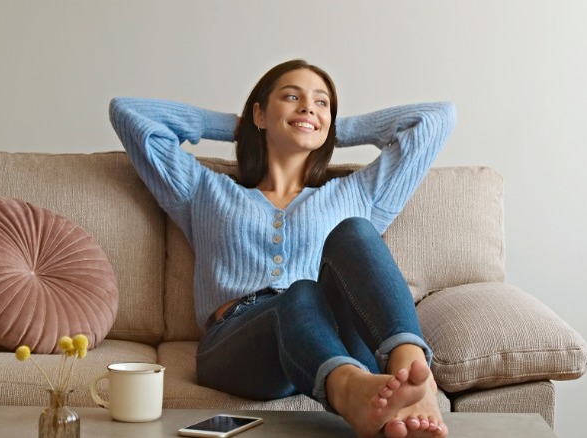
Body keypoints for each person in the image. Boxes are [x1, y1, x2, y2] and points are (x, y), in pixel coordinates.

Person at [110, 59, 455, 438]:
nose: (308, 107)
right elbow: (129, 113)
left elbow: (436, 119)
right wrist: (239, 127)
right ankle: (348, 388)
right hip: (241, 345)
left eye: (322, 102)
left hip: (337, 336)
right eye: (292, 96)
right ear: (259, 112)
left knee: (355, 231)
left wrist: (334, 129)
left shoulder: (358, 192)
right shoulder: (203, 190)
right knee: (301, 292)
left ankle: (409, 367)